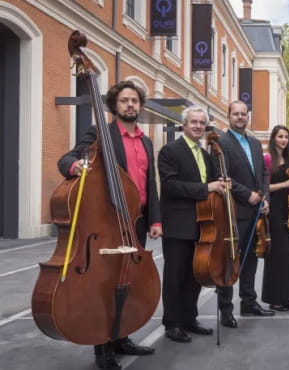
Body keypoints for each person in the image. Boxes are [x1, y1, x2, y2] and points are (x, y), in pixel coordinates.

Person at [57, 80, 161, 370]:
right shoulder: (100, 134)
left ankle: (122, 337)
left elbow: (150, 183)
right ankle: (102, 348)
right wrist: (75, 167)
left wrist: (154, 218)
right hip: (106, 222)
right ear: (115, 105)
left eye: (135, 101)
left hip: (135, 221)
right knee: (103, 285)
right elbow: (67, 158)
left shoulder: (145, 140)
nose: (130, 105)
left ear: (140, 106)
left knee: (128, 280)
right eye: (125, 100)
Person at [158, 106, 227, 342]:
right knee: (175, 275)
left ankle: (189, 318)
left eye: (201, 123)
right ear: (184, 124)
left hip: (202, 224)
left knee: (195, 275)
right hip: (178, 225)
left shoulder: (206, 154)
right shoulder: (170, 151)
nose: (198, 126)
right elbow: (170, 185)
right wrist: (206, 188)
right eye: (193, 122)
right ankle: (172, 323)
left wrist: (218, 183)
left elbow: (209, 185)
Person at [216, 100, 274, 320]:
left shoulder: (255, 144)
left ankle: (249, 302)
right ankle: (226, 310)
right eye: (236, 114)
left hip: (256, 211)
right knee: (230, 261)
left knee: (251, 260)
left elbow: (264, 175)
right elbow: (223, 176)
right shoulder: (221, 142)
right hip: (234, 211)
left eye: (243, 114)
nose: (240, 117)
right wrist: (247, 194)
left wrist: (265, 197)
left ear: (247, 116)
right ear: (229, 116)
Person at [261, 125, 289, 311]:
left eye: (286, 137)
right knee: (278, 255)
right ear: (274, 138)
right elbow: (263, 188)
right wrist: (284, 183)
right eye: (280, 136)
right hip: (274, 210)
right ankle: (274, 298)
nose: (284, 140)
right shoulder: (268, 159)